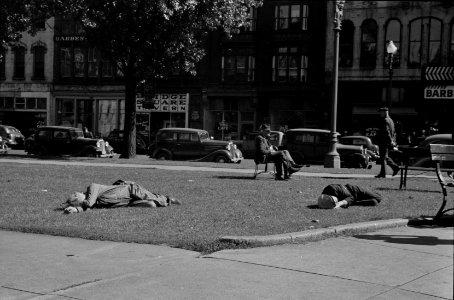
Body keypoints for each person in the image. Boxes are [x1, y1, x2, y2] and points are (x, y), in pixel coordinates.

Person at [63, 179, 181, 214]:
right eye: (75, 202)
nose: (76, 200)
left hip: (129, 190)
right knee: (151, 205)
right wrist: (76, 210)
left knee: (155, 198)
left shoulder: (92, 187)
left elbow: (89, 204)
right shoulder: (93, 204)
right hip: (127, 202)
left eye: (75, 199)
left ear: (78, 194)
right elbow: (89, 207)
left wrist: (77, 209)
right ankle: (153, 202)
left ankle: (169, 199)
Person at [375, 107, 400, 178]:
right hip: (388, 141)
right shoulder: (391, 120)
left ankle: (384, 173)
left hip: (384, 141)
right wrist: (393, 141)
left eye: (381, 112)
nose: (380, 113)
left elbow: (387, 132)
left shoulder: (385, 120)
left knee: (383, 157)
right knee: (385, 157)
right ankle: (394, 168)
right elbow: (394, 132)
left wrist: (390, 140)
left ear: (384, 112)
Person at [317, 184, 383, 209]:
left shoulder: (338, 190)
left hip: (355, 191)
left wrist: (340, 203)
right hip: (351, 196)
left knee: (378, 198)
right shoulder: (324, 195)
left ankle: (375, 194)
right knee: (374, 202)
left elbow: (351, 197)